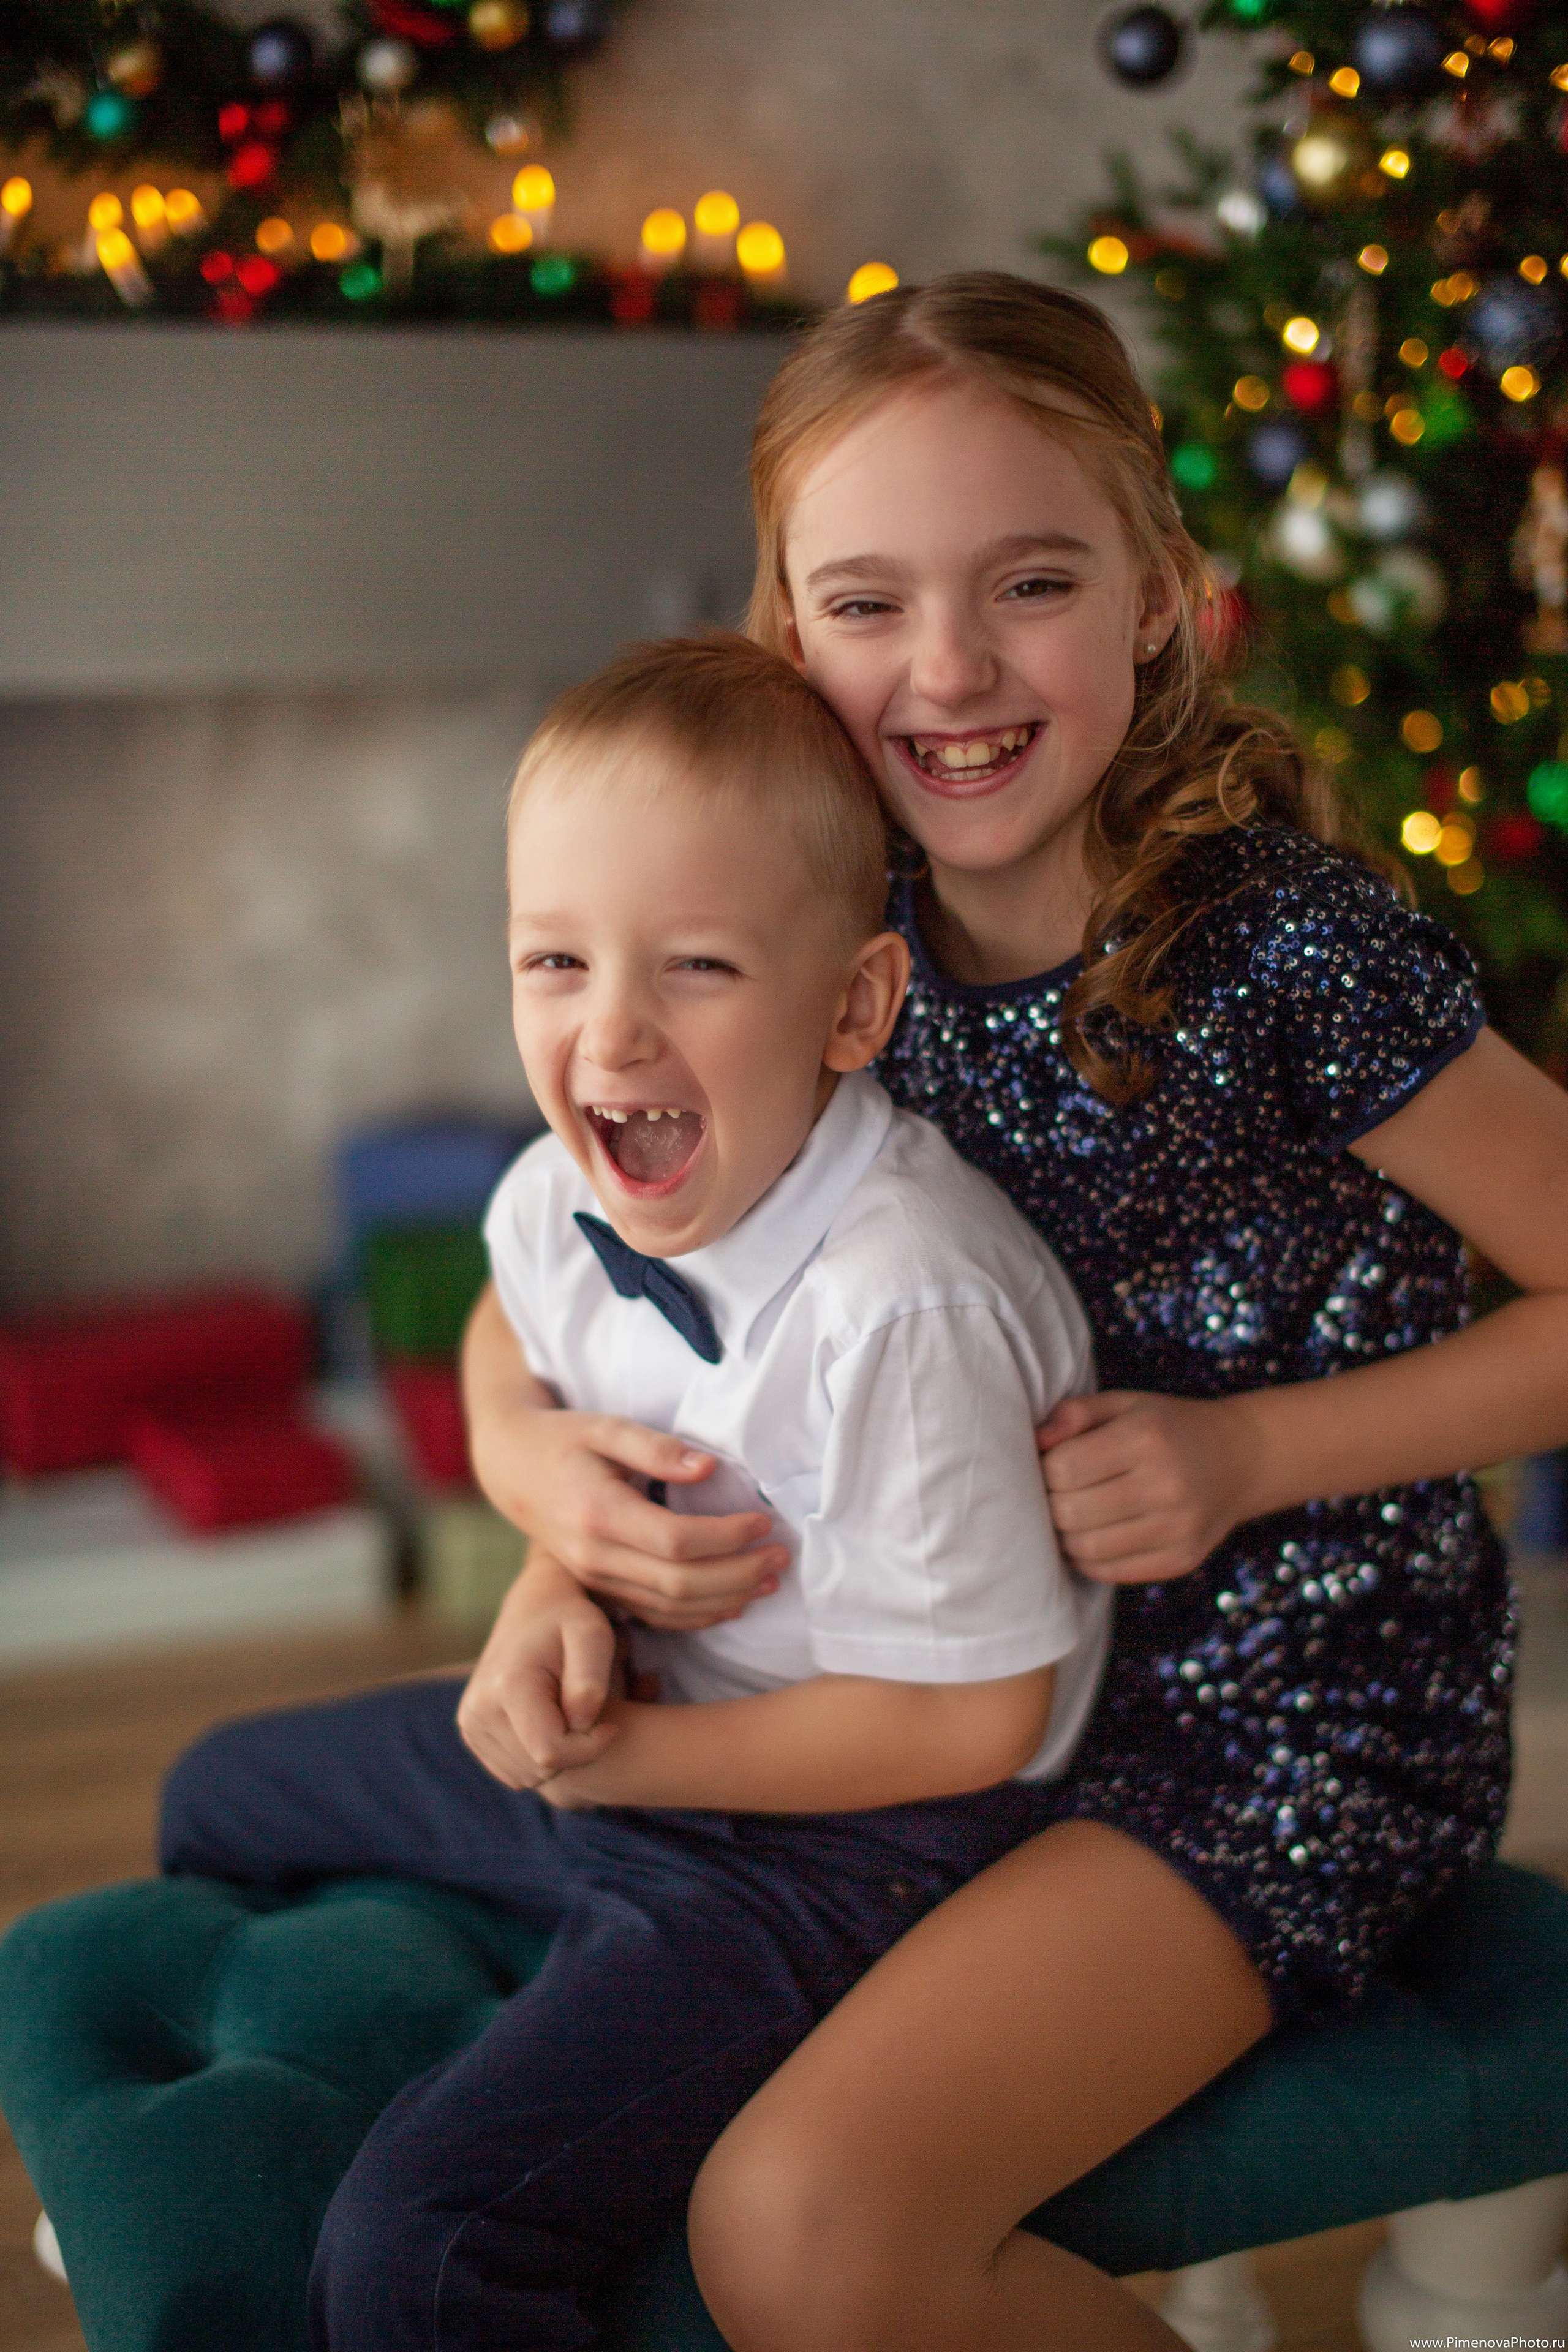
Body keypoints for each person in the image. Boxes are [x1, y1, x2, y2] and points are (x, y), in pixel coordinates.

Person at [459, 273, 1568, 2352]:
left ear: (1157, 595)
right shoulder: (804, 920)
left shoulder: (1287, 953)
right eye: (868, 603)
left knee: (798, 2236)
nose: (950, 669)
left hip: (1270, 1731)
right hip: (916, 1691)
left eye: (1031, 584)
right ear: (789, 630)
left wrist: (1254, 1452)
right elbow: (565, 1278)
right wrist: (545, 1509)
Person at [159, 632, 1109, 2351]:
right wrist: (541, 1535)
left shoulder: (903, 1302)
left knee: (419, 2246)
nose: (609, 1029)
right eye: (554, 960)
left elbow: (976, 1719)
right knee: (218, 1794)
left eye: (696, 966)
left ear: (855, 1006)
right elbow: (512, 1348)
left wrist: (624, 1767)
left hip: (854, 1848)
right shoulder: (560, 1190)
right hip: (642, 1731)